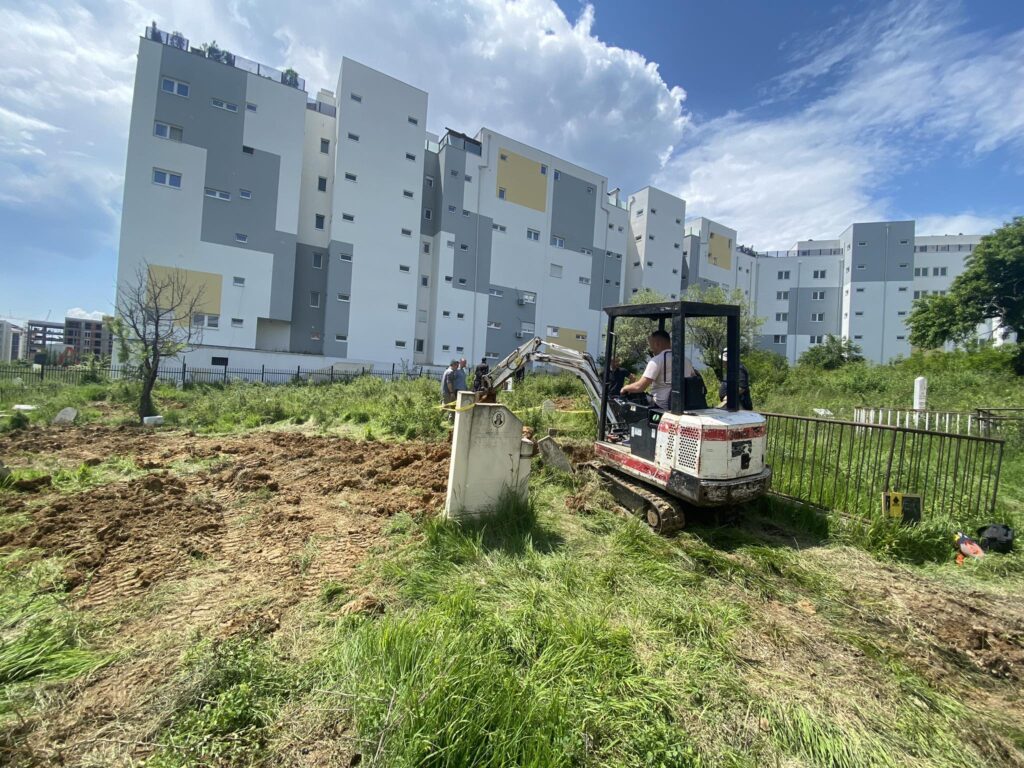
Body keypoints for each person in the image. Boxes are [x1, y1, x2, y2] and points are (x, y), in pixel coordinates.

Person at [620, 330, 693, 410]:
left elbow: (640, 387)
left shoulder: (656, 360)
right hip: (683, 404)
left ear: (657, 344)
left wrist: (625, 388)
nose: (651, 349)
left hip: (660, 405)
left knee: (630, 410)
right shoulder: (686, 360)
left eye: (651, 345)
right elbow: (693, 377)